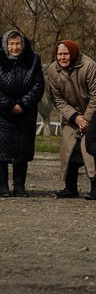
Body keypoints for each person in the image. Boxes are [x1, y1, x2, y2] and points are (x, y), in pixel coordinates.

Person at [45, 40, 96, 200]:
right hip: (70, 117)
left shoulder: (90, 66)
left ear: (72, 53)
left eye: (65, 54)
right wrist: (75, 117)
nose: (62, 57)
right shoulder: (52, 70)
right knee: (69, 151)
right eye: (59, 54)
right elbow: (56, 98)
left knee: (90, 151)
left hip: (93, 115)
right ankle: (70, 188)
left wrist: (86, 119)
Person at [0, 30, 45, 197]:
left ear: (23, 44)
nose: (15, 47)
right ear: (5, 45)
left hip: (25, 113)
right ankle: (2, 186)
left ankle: (20, 186)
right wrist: (8, 105)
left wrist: (23, 105)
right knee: (1, 151)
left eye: (17, 43)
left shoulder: (33, 59)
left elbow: (38, 85)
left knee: (22, 150)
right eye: (11, 44)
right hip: (2, 113)